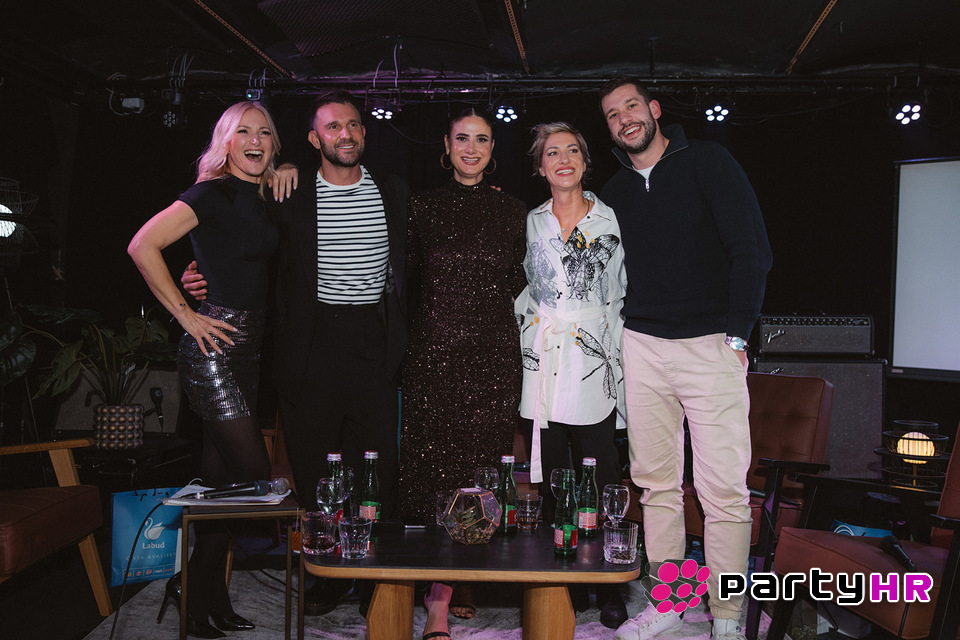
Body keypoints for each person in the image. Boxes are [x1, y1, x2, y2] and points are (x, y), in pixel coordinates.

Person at [183, 90, 408, 616]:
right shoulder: (287, 190)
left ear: (364, 133)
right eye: (333, 127)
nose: (345, 134)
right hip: (308, 348)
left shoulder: (394, 190)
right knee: (313, 472)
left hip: (373, 344)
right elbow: (233, 237)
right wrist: (196, 277)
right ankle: (325, 574)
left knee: (377, 470)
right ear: (314, 138)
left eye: (353, 125)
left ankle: (374, 579)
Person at [596, 77, 773, 640]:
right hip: (642, 346)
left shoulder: (709, 161)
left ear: (653, 109)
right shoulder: (613, 192)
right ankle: (669, 603)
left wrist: (739, 335)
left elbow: (752, 250)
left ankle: (727, 616)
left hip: (711, 345)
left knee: (724, 492)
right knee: (656, 487)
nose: (624, 119)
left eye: (631, 106)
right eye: (612, 114)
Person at [128, 101, 280, 637]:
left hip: (250, 351)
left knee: (224, 484)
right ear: (225, 142)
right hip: (213, 347)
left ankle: (205, 594)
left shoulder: (265, 195)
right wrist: (186, 314)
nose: (255, 141)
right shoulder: (209, 193)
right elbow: (142, 245)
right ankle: (192, 583)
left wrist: (287, 171)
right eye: (244, 132)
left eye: (265, 132)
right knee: (255, 476)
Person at [396, 108, 527, 640]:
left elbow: (527, 282)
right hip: (434, 356)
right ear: (446, 147)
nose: (471, 148)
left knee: (478, 474)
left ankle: (459, 578)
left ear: (493, 150)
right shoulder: (421, 207)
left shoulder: (513, 211)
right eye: (462, 139)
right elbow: (395, 278)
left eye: (482, 140)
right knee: (431, 474)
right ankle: (437, 593)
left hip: (494, 359)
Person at [514, 121, 628, 628]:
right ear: (541, 167)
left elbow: (621, 291)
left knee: (600, 475)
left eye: (572, 151)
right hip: (544, 363)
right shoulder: (530, 221)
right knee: (556, 480)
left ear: (585, 161)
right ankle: (564, 579)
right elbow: (523, 286)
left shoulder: (611, 218)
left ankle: (607, 583)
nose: (563, 159)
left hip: (593, 361)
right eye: (552, 153)